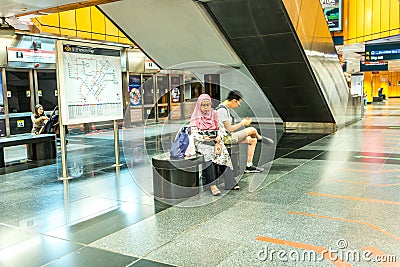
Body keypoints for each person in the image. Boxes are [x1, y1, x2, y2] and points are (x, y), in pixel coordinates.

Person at [190, 94, 239, 196]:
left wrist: (219, 136)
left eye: (208, 105)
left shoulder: (214, 114)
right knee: (209, 153)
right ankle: (212, 185)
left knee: (223, 152)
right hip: (202, 143)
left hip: (215, 141)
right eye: (203, 105)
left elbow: (221, 128)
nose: (206, 108)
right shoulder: (195, 117)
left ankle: (230, 182)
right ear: (199, 105)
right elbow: (193, 133)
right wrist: (204, 138)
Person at [216, 90, 273, 173]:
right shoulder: (222, 110)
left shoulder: (225, 109)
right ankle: (260, 138)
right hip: (224, 139)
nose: (237, 106)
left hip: (228, 136)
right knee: (252, 130)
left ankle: (249, 165)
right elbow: (229, 129)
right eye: (238, 103)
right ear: (234, 101)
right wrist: (242, 123)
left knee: (252, 140)